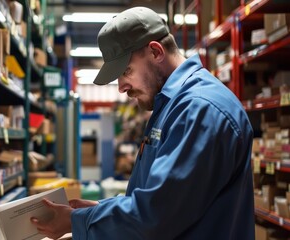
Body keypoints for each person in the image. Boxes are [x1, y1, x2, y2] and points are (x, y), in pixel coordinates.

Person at [31, 6, 254, 240]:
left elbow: (157, 215)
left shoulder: (199, 110)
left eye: (126, 71)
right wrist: (98, 210)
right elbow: (159, 196)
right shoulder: (171, 105)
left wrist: (76, 221)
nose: (121, 87)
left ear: (156, 52)